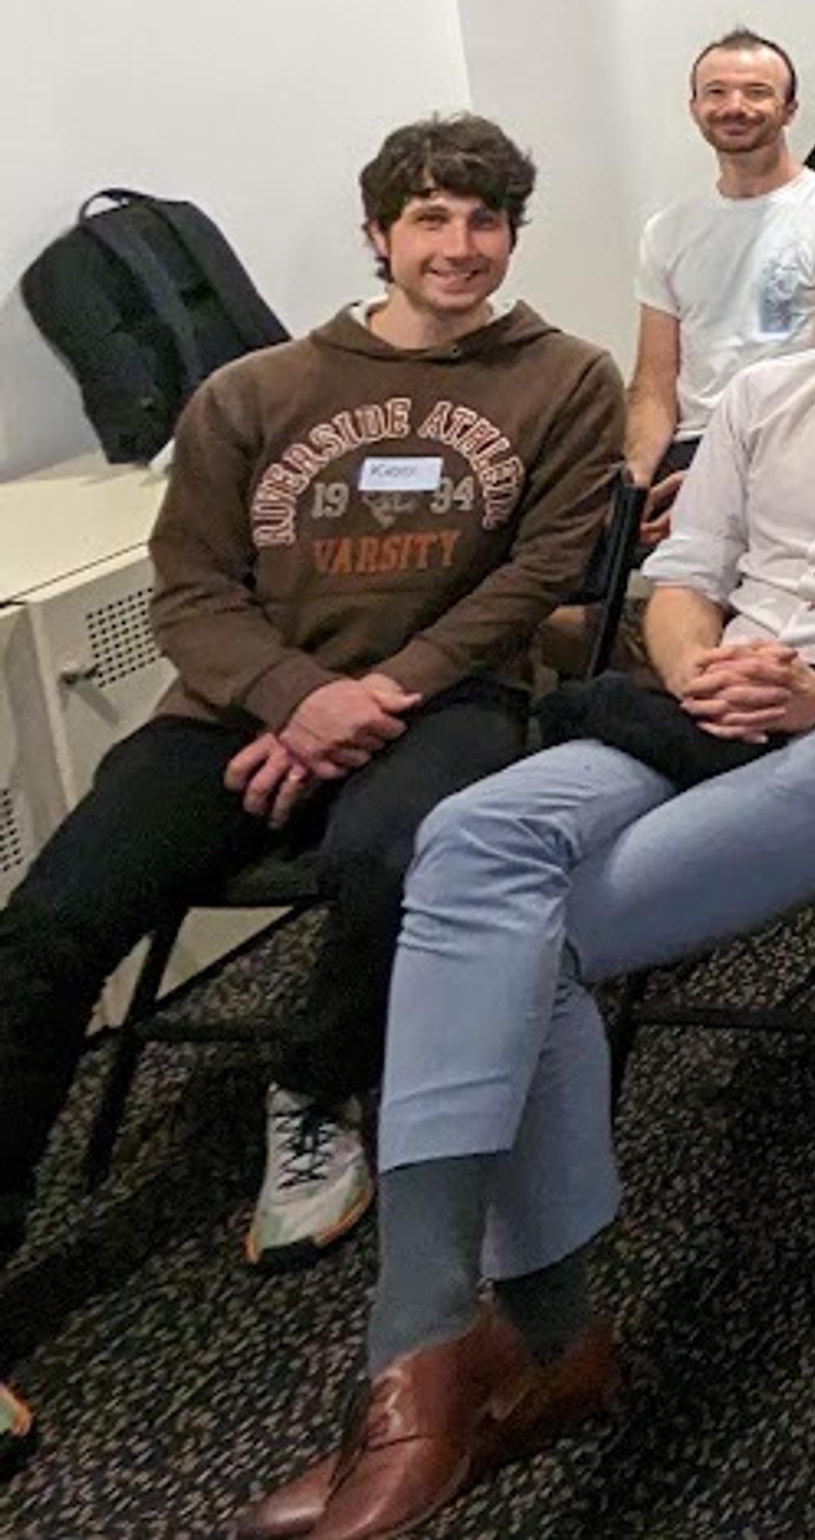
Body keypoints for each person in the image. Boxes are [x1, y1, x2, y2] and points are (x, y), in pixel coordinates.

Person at [245, 148, 815, 1540]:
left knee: (532, 938)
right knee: (467, 841)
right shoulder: (762, 398)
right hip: (703, 712)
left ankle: (476, 1345)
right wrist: (701, 669)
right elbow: (683, 580)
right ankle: (465, 1341)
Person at [0, 117, 621, 1327]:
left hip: (447, 695)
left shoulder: (565, 378)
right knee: (48, 927)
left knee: (398, 862)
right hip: (241, 708)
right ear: (377, 234)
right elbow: (191, 590)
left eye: (484, 221)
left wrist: (376, 693)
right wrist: (298, 698)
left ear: (512, 237)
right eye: (430, 219)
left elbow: (538, 574)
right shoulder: (253, 392)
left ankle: (317, 1087)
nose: (458, 245)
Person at [623, 30, 815, 543]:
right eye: (717, 92)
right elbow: (654, 384)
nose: (734, 106)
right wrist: (633, 487)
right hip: (694, 447)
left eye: (756, 92)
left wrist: (725, 487)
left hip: (794, 448)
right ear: (694, 108)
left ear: (789, 109)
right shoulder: (667, 231)